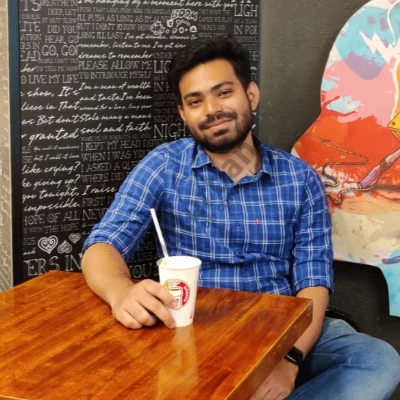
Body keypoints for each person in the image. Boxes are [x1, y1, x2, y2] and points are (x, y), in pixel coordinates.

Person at [81, 36, 400, 400]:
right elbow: (101, 246)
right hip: (192, 328)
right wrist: (121, 292)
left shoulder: (299, 179)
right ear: (183, 114)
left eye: (223, 92)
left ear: (251, 95)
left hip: (282, 326)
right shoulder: (162, 166)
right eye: (195, 101)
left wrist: (290, 360)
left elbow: (314, 281)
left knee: (378, 360)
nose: (212, 109)